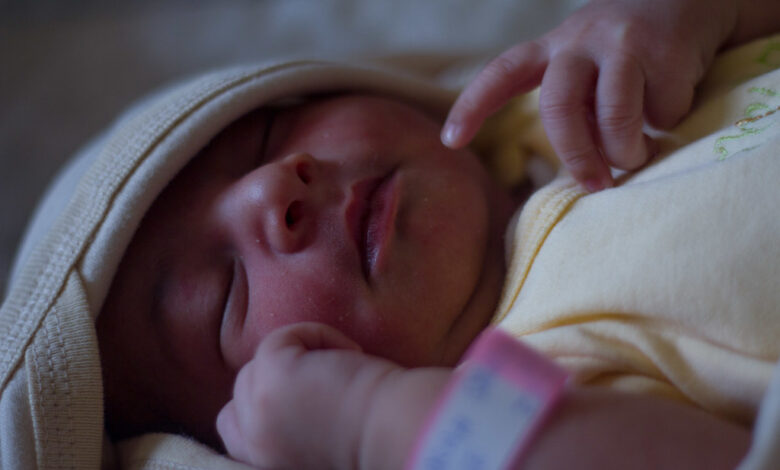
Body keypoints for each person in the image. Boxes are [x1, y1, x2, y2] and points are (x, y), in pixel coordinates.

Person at [0, 1, 777, 470]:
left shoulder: (572, 87)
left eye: (267, 136)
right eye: (224, 291)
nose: (273, 190)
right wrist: (375, 424)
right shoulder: (523, 394)